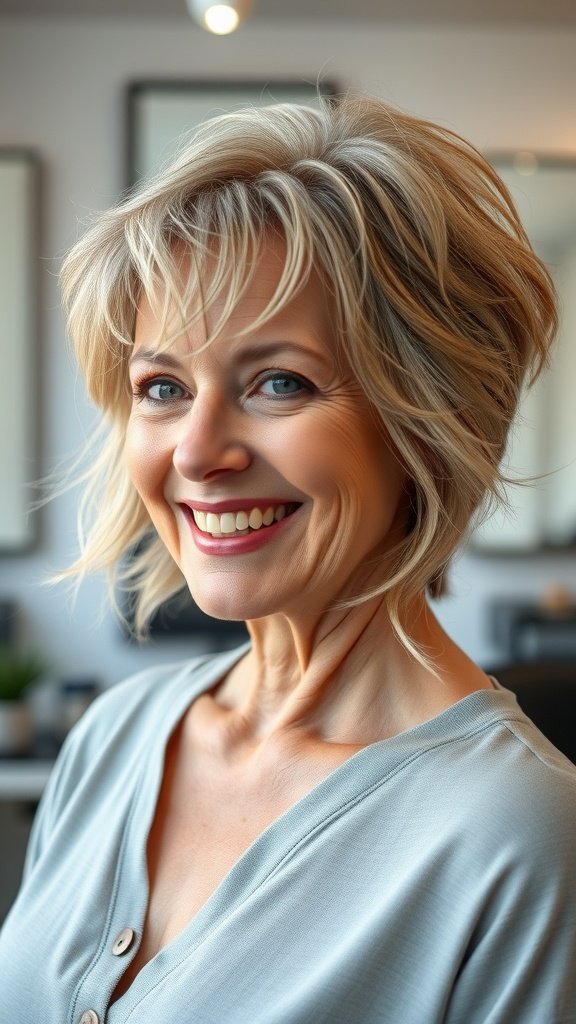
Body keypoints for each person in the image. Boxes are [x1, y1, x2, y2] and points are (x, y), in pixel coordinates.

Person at [1, 94, 575, 1024]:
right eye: (162, 387)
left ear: (427, 424)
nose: (195, 452)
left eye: (279, 382)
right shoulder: (117, 734)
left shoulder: (519, 835)